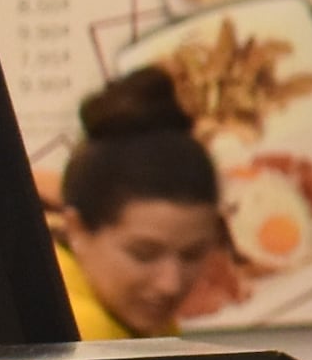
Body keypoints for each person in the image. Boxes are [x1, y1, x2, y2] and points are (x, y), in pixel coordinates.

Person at [52, 68, 229, 339]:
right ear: (76, 229)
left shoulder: (129, 322)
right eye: (143, 254)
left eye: (192, 255)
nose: (170, 283)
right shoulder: (78, 333)